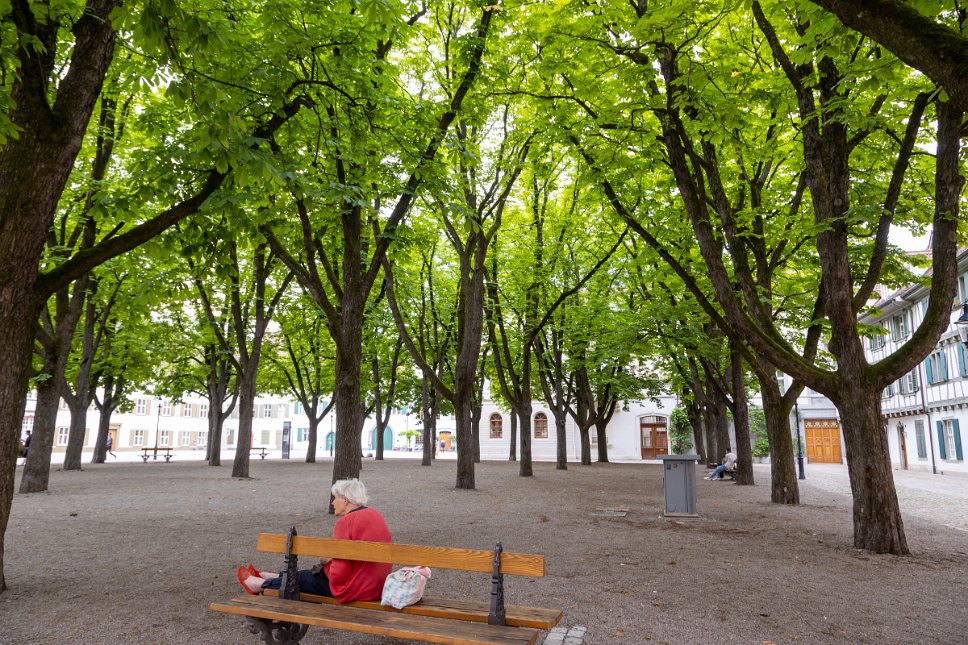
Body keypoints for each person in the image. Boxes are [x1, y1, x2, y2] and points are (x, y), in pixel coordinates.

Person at [236, 479, 392, 602]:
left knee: (302, 580)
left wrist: (328, 562)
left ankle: (257, 584)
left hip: (355, 589)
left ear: (345, 500)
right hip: (376, 586)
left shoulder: (346, 522)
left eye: (335, 498)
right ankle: (269, 576)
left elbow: (338, 576)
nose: (332, 502)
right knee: (307, 575)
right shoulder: (375, 515)